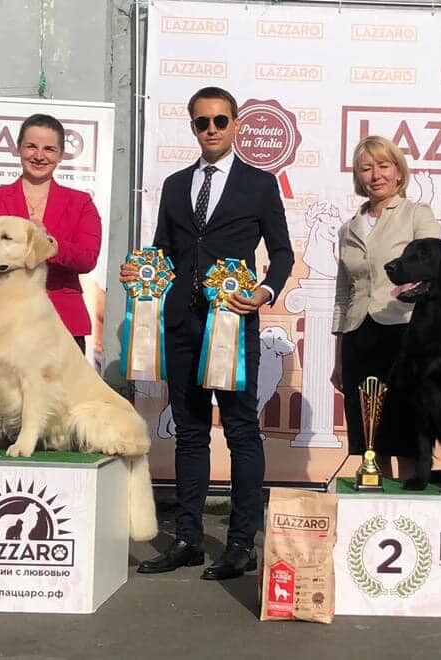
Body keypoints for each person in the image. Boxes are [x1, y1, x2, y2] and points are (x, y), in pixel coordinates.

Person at [120, 87, 293, 580]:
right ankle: (188, 539)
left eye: (220, 120)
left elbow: (281, 252)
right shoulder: (176, 185)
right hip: (181, 325)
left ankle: (240, 544)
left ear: (236, 124)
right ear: (193, 127)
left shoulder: (260, 184)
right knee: (190, 434)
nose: (211, 129)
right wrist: (140, 273)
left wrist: (264, 291)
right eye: (202, 122)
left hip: (233, 323)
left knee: (241, 432)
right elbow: (163, 250)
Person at [330, 135, 441, 478]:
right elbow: (343, 294)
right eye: (366, 168)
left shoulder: (416, 215)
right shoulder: (347, 229)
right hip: (358, 338)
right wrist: (338, 359)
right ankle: (376, 503)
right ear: (358, 177)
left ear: (398, 172)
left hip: (405, 334)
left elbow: (434, 268)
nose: (376, 175)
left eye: (383, 165)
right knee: (371, 441)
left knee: (407, 437)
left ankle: (411, 504)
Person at [0, 114, 101, 352]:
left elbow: (87, 258)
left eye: (49, 149)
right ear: (18, 149)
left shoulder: (81, 203)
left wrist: (50, 245)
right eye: (31, 146)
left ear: (61, 155)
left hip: (61, 324)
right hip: (2, 323)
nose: (39, 156)